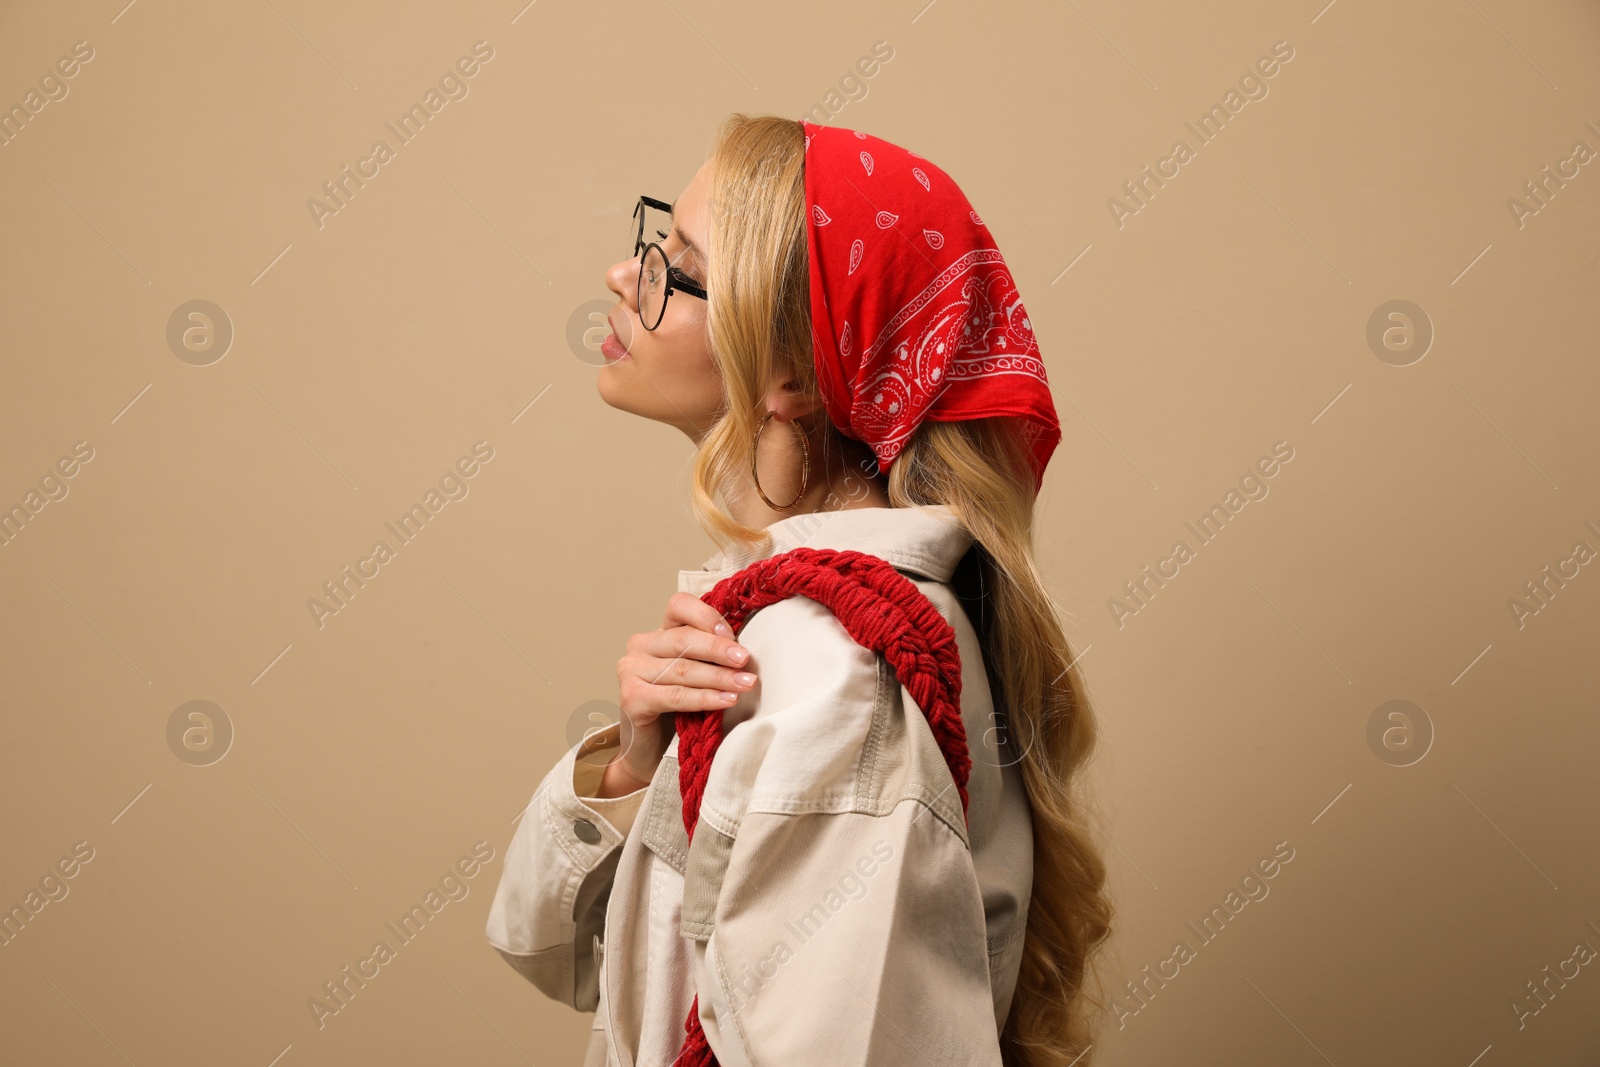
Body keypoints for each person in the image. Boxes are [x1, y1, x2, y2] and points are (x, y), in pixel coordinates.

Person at [486, 113, 1114, 1067]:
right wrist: (633, 771)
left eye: (679, 265)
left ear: (796, 377)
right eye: (655, 241)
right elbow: (570, 960)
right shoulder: (781, 631)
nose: (627, 277)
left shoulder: (842, 675)